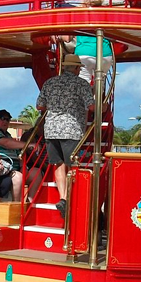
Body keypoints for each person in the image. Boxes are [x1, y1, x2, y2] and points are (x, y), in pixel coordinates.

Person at [36, 54, 94, 217]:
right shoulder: (81, 83)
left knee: (58, 164)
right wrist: (101, 108)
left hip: (52, 128)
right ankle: (71, 197)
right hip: (72, 129)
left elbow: (40, 106)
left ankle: (63, 197)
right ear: (76, 68)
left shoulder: (50, 83)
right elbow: (91, 107)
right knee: (72, 165)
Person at [0, 109, 29, 201]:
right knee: (17, 177)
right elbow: (5, 143)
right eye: (2, 118)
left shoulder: (8, 135)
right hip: (1, 168)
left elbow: (17, 152)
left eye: (7, 119)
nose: (5, 121)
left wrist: (22, 165)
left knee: (36, 173)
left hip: (14, 167)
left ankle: (31, 203)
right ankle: (16, 206)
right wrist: (28, 144)